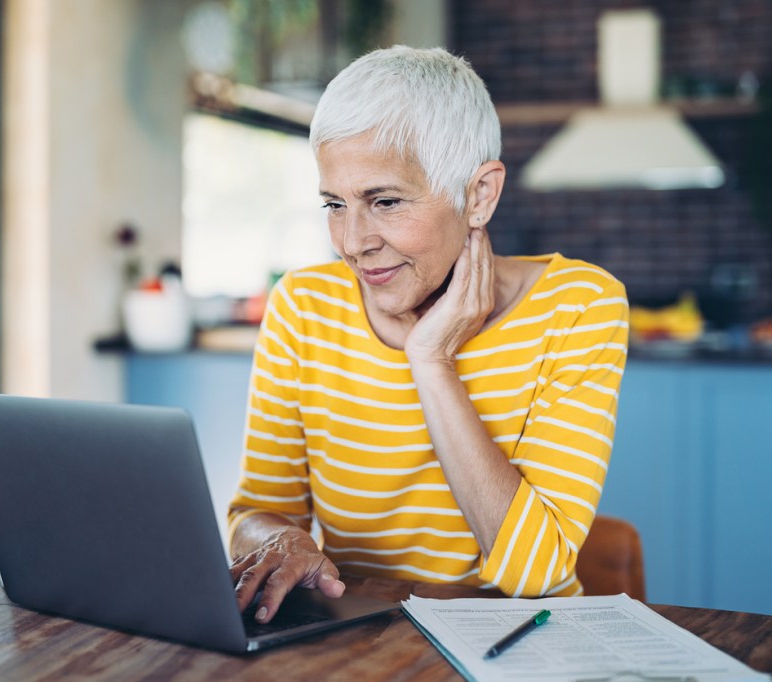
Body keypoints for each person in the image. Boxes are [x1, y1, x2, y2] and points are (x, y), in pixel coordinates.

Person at [227, 46, 629, 624]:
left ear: (479, 195)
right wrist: (277, 539)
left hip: (517, 644)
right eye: (334, 204)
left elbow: (535, 572)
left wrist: (433, 361)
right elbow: (256, 513)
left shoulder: (577, 306)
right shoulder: (304, 305)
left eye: (385, 201)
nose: (352, 242)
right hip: (355, 642)